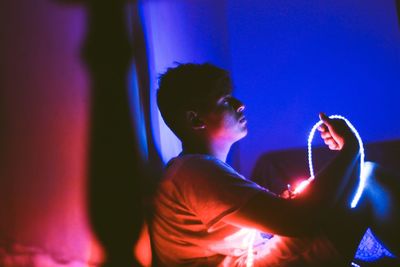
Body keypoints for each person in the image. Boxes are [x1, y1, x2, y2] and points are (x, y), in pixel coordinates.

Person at [150, 63, 399, 266]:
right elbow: (298, 220)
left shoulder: (196, 172)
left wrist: (282, 209)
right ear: (195, 120)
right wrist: (352, 148)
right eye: (225, 100)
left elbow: (276, 223)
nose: (240, 104)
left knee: (360, 181)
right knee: (368, 181)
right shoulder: (193, 173)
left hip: (256, 258)